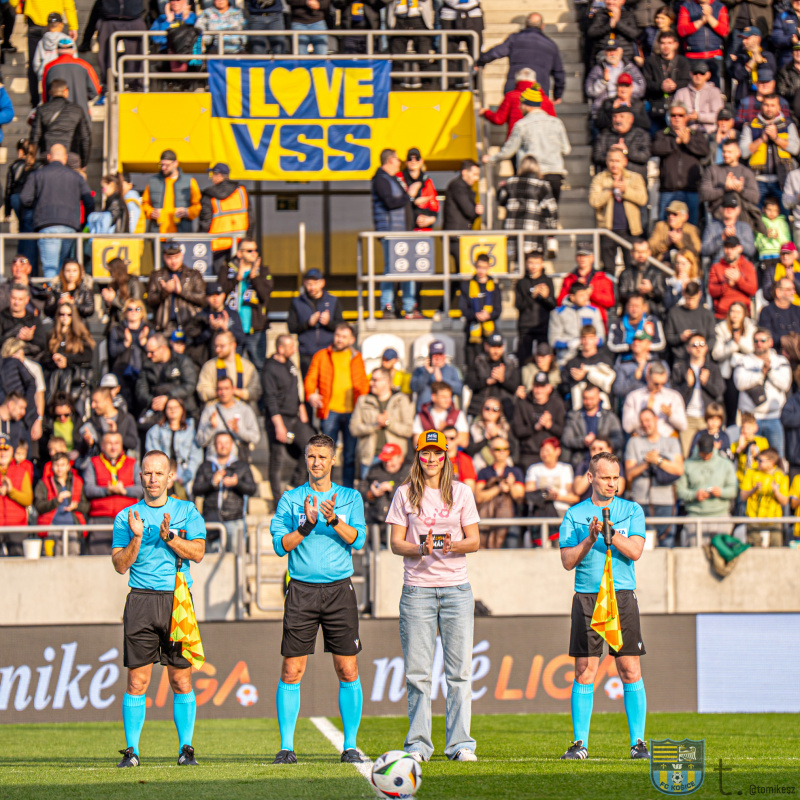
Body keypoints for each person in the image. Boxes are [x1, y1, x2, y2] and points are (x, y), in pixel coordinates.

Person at [269, 433, 367, 764]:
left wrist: (333, 520)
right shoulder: (290, 499)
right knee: (291, 670)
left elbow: (359, 541)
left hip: (339, 590)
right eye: (312, 457)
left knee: (347, 667)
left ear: (333, 460)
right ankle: (286, 747)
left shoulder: (350, 497)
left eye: (323, 457)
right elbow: (280, 545)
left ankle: (350, 745)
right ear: (306, 459)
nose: (316, 463)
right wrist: (308, 526)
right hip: (301, 591)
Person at [386, 429, 480, 762]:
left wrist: (452, 543)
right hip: (417, 591)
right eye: (425, 453)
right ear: (417, 456)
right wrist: (419, 548)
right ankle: (419, 745)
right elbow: (396, 543)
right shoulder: (404, 493)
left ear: (445, 457)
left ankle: (460, 745)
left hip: (456, 589)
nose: (431, 459)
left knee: (459, 673)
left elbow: (475, 540)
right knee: (418, 673)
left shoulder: (461, 492)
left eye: (437, 453)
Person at [111, 449, 206, 768]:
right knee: (137, 681)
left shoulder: (187, 510)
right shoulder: (127, 516)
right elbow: (120, 565)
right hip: (140, 600)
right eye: (147, 473)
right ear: (140, 477)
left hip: (177, 600)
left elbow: (198, 552)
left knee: (181, 680)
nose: (152, 479)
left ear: (171, 477)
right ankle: (132, 751)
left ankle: (186, 749)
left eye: (158, 473)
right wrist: (137, 539)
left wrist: (169, 539)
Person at [558, 451, 649, 760]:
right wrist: (590, 538)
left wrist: (612, 536)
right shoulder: (574, 514)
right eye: (606, 477)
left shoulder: (632, 509)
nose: (612, 483)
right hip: (587, 596)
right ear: (590, 478)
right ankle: (579, 744)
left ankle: (638, 743)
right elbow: (568, 561)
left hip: (621, 595)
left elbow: (635, 551)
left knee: (629, 667)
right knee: (585, 670)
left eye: (616, 477)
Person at [305, 324, 369, 489]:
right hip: (329, 411)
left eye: (344, 336)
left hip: (351, 412)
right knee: (325, 453)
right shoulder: (322, 355)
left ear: (352, 340)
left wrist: (364, 405)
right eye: (338, 335)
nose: (339, 339)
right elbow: (311, 377)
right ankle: (324, 488)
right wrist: (310, 394)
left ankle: (347, 491)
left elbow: (362, 383)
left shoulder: (356, 356)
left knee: (349, 455)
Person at [19, 143, 94, 279]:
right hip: (70, 226)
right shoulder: (75, 176)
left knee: (50, 267)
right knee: (62, 267)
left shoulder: (38, 175)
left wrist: (37, 206)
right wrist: (84, 223)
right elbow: (89, 201)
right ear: (65, 158)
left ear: (48, 157)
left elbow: (24, 199)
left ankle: (53, 298)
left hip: (47, 225)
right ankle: (61, 297)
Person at [487, 89, 571, 205]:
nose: (519, 107)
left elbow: (508, 151)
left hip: (533, 175)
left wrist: (492, 159)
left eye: (521, 104)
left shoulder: (522, 125)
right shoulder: (557, 123)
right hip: (555, 175)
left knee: (533, 215)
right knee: (551, 214)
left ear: (527, 105)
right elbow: (566, 150)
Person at [262, 335, 314, 507]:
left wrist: (302, 409)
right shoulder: (269, 368)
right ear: (280, 348)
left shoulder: (290, 364)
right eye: (291, 347)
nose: (295, 350)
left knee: (311, 446)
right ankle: (278, 502)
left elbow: (295, 389)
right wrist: (278, 425)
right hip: (279, 418)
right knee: (277, 459)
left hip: (294, 417)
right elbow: (270, 399)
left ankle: (294, 484)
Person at [625, 407, 684, 547]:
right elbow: (629, 474)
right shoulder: (634, 442)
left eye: (648, 420)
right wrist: (647, 462)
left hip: (666, 501)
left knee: (666, 542)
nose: (645, 424)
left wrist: (658, 461)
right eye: (642, 421)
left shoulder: (671, 442)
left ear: (656, 420)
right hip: (641, 501)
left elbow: (679, 469)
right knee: (642, 546)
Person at [732, 327, 792, 456]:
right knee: (751, 457)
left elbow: (785, 384)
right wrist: (761, 374)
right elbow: (739, 383)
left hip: (774, 417)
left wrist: (769, 371)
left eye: (763, 340)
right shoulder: (744, 360)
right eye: (756, 341)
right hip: (751, 420)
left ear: (770, 342)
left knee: (777, 456)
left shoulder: (780, 361)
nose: (759, 343)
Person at [477, 12, 565, 99]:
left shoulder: (514, 39)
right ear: (542, 26)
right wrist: (558, 94)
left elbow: (496, 52)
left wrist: (481, 61)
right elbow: (558, 73)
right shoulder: (551, 45)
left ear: (526, 24)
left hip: (515, 87)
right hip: (538, 90)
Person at [192, 431, 255, 552]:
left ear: (232, 445)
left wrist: (237, 484)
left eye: (226, 443)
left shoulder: (242, 466)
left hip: (234, 519)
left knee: (237, 561)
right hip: (211, 520)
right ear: (215, 445)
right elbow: (196, 489)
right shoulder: (205, 466)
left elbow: (252, 489)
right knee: (212, 561)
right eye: (219, 443)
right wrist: (212, 482)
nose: (223, 446)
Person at [588, 147, 648, 273]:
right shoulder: (600, 178)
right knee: (608, 268)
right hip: (607, 229)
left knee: (631, 266)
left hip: (630, 230)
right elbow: (594, 201)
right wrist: (609, 191)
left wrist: (626, 191)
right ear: (606, 162)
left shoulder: (635, 177)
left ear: (624, 162)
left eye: (617, 161)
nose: (614, 164)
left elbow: (643, 199)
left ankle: (628, 291)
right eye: (611, 160)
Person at [370, 149, 414, 319]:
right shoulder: (381, 180)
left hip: (401, 233)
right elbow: (390, 202)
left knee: (408, 269)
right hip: (390, 233)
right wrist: (408, 195)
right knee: (391, 269)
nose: (399, 163)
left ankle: (409, 307)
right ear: (389, 161)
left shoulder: (393, 179)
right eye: (397, 159)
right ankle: (387, 306)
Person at [216, 240, 272, 371]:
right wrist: (237, 278)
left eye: (255, 250)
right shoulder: (226, 270)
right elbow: (219, 295)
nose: (254, 253)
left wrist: (254, 277)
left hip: (255, 329)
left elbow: (265, 296)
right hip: (232, 328)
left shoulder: (263, 271)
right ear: (240, 253)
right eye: (249, 251)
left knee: (258, 367)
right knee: (230, 367)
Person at [349, 367, 414, 479]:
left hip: (395, 459)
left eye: (375, 380)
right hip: (370, 457)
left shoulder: (401, 400)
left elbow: (408, 430)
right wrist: (374, 426)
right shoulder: (363, 400)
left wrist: (388, 423)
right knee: (369, 494)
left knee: (398, 494)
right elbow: (353, 428)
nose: (371, 383)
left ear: (387, 381)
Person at [83, 431, 143, 554]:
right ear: (102, 446)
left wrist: (124, 491)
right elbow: (88, 489)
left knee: (126, 560)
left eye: (116, 443)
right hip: (100, 518)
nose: (113, 447)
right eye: (109, 443)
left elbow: (141, 488)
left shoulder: (132, 463)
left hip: (127, 519)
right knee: (98, 560)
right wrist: (106, 491)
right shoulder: (93, 463)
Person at [652, 102, 709, 224]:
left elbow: (704, 151)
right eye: (673, 115)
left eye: (680, 115)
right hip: (668, 190)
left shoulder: (696, 135)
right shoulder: (662, 134)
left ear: (686, 117)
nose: (677, 118)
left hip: (691, 190)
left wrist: (688, 142)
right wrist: (676, 142)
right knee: (664, 227)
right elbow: (655, 149)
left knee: (691, 227)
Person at [739, 93, 800, 208]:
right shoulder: (750, 126)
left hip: (782, 179)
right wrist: (762, 139)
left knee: (784, 216)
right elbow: (743, 152)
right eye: (766, 105)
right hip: (757, 179)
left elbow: (796, 149)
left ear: (779, 107)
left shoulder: (788, 125)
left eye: (773, 105)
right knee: (756, 215)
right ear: (761, 106)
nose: (769, 108)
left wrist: (776, 138)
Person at [675, 432, 737, 543]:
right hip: (695, 516)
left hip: (720, 516)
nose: (706, 456)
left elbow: (733, 490)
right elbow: (680, 491)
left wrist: (721, 492)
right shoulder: (687, 465)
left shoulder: (725, 464)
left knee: (720, 557)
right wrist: (694, 495)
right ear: (698, 447)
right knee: (695, 557)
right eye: (703, 453)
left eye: (709, 453)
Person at [496, 156, 559, 262]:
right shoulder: (541, 185)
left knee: (516, 265)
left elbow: (501, 200)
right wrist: (551, 231)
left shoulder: (511, 182)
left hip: (512, 231)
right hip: (532, 232)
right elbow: (552, 210)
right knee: (531, 264)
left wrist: (501, 187)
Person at [671, 332, 725, 454]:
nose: (698, 348)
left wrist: (706, 384)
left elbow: (720, 392)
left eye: (702, 344)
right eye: (694, 345)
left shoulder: (713, 367)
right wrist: (687, 386)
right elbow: (674, 396)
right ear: (688, 348)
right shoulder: (680, 367)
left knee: (709, 454)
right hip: (687, 418)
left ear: (706, 348)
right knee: (687, 454)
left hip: (708, 419)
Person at [479, 68, 556, 147]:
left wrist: (486, 112)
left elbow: (499, 119)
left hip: (515, 143)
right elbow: (553, 125)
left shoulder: (511, 96)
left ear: (517, 80)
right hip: (541, 144)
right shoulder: (546, 100)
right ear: (534, 81)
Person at [288, 269, 344, 377]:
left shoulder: (333, 301)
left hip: (328, 352)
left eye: (315, 283)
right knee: (308, 388)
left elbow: (341, 326)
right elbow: (292, 327)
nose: (312, 287)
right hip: (306, 353)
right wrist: (308, 323)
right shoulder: (297, 302)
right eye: (309, 284)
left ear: (322, 283)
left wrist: (328, 323)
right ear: (304, 283)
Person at [136, 334, 199, 428]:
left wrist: (168, 398)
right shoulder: (147, 365)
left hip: (185, 410)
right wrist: (152, 401)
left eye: (152, 352)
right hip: (157, 412)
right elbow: (141, 389)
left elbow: (189, 385)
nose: (149, 355)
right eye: (147, 352)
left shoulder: (182, 361)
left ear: (163, 348)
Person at [144, 398, 202, 498]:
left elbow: (196, 458)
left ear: (182, 410)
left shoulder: (190, 431)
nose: (172, 410)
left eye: (176, 407)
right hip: (161, 479)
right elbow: (152, 456)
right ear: (165, 411)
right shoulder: (155, 431)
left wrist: (183, 477)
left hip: (184, 479)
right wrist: (163, 475)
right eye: (169, 407)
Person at [145, 242, 207, 336]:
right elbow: (149, 301)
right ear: (164, 257)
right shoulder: (156, 275)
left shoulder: (194, 274)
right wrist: (165, 292)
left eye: (176, 257)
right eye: (169, 258)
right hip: (165, 326)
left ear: (182, 256)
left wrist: (181, 292)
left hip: (189, 324)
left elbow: (202, 299)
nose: (173, 262)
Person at [698, 138, 761, 229]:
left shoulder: (747, 173)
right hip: (718, 217)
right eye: (724, 152)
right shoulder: (712, 170)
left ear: (738, 153)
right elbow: (703, 194)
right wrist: (724, 189)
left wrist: (741, 190)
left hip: (742, 218)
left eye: (729, 152)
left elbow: (755, 198)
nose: (726, 155)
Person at [34, 450, 88, 555]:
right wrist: (56, 501)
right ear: (52, 466)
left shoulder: (77, 481)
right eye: (56, 465)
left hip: (73, 528)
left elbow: (86, 506)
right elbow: (39, 506)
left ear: (68, 466)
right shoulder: (44, 483)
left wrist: (76, 506)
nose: (59, 468)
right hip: (51, 528)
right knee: (51, 562)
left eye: (63, 465)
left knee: (73, 561)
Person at [475, 436, 524, 549]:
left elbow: (519, 497)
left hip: (511, 519)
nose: (502, 452)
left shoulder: (515, 471)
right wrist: (499, 488)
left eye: (505, 449)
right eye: (498, 449)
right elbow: (479, 497)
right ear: (491, 451)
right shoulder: (484, 472)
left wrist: (511, 486)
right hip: (487, 518)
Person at [511, 371, 566, 470]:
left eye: (542, 387)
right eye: (536, 386)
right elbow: (517, 431)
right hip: (529, 454)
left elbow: (563, 432)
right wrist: (535, 427)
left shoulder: (557, 404)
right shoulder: (522, 404)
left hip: (551, 455)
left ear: (549, 388)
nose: (539, 390)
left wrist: (550, 425)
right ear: (532, 387)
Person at [199, 163, 249, 270]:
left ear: (219, 175)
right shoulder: (241, 192)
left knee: (215, 277)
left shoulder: (209, 196)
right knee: (238, 275)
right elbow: (251, 218)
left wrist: (200, 238)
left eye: (213, 174)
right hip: (239, 242)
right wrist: (247, 239)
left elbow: (205, 222)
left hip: (217, 244)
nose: (211, 177)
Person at [712, 301, 756, 423]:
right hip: (729, 375)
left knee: (747, 410)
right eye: (732, 311)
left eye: (738, 312)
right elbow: (716, 354)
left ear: (744, 314)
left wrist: (740, 341)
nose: (735, 315)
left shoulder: (751, 328)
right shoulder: (721, 329)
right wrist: (732, 345)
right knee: (731, 411)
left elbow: (753, 350)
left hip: (748, 373)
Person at [195, 375, 260, 459]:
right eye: (220, 389)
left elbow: (255, 438)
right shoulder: (209, 410)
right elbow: (200, 441)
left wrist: (238, 431)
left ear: (233, 389)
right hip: (214, 461)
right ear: (217, 391)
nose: (223, 392)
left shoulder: (245, 409)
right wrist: (210, 427)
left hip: (238, 461)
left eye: (226, 388)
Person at [562, 384, 623, 470]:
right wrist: (583, 441)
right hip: (581, 461)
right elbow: (566, 439)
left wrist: (601, 444)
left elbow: (618, 440)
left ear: (598, 398)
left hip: (605, 461)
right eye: (586, 399)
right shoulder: (574, 416)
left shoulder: (609, 417)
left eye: (592, 398)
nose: (588, 402)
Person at [30, 79, 90, 166]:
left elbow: (35, 137)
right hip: (70, 157)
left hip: (48, 156)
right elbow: (85, 138)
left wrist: (31, 160)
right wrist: (83, 162)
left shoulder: (42, 110)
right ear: (66, 91)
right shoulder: (77, 110)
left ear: (50, 92)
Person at [183, 281, 244, 366]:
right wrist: (210, 329)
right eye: (212, 296)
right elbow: (195, 341)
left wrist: (227, 329)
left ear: (223, 296)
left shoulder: (232, 314)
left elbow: (241, 339)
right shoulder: (201, 316)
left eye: (218, 295)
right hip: (207, 362)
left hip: (229, 362)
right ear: (206, 298)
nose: (215, 299)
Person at [141, 150, 202, 235]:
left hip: (181, 234)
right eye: (161, 165)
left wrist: (187, 212)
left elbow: (198, 205)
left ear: (176, 163)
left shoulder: (189, 181)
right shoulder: (153, 181)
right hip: (157, 234)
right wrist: (150, 212)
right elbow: (144, 203)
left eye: (167, 165)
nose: (163, 168)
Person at [556, 243, 616, 328]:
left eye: (586, 255)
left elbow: (610, 301)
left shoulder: (602, 277)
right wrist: (575, 291)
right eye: (580, 255)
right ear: (576, 258)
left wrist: (592, 293)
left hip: (596, 323)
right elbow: (560, 302)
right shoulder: (569, 279)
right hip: (573, 323)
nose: (582, 258)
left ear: (592, 258)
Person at [621, 362, 688, 437]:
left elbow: (683, 426)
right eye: (656, 384)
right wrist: (645, 411)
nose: (660, 387)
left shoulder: (673, 396)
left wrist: (670, 415)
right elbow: (627, 427)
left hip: (666, 440)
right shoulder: (633, 396)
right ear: (647, 378)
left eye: (663, 383)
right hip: (641, 441)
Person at [739, 447, 789, 547]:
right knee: (754, 549)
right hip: (753, 518)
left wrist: (776, 491)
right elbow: (742, 497)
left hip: (773, 519)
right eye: (757, 459)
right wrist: (753, 489)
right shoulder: (751, 473)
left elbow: (785, 502)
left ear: (771, 462)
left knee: (777, 548)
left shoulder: (781, 476)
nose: (758, 462)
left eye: (761, 460)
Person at [41, 38, 101, 119]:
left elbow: (45, 95)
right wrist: (82, 97)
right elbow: (95, 90)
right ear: (73, 50)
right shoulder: (85, 65)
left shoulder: (49, 67)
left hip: (57, 115)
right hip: (81, 112)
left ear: (57, 51)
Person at [560, 324, 616, 412]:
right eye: (584, 338)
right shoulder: (572, 363)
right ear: (580, 340)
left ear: (596, 340)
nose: (587, 341)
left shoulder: (605, 361)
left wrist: (586, 376)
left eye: (590, 338)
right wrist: (575, 380)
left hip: (601, 410)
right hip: (578, 412)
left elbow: (610, 386)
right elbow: (563, 388)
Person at [549, 282, 606, 367]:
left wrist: (587, 342)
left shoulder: (593, 311)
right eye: (581, 295)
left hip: (589, 359)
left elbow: (601, 337)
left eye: (586, 294)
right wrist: (569, 343)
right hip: (566, 359)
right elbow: (553, 341)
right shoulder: (558, 313)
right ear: (572, 297)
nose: (585, 298)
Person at [643, 29, 691, 129]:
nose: (666, 46)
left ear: (675, 45)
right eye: (663, 43)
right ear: (659, 45)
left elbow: (687, 81)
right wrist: (660, 86)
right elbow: (646, 83)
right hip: (656, 104)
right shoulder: (651, 61)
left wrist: (675, 85)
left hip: (677, 104)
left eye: (669, 43)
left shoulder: (683, 61)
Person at [464, 332, 521, 418]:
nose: (496, 351)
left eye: (499, 347)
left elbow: (516, 386)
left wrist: (502, 380)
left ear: (503, 347)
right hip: (479, 409)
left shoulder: (510, 364)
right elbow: (470, 383)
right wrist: (487, 381)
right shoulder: (478, 361)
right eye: (493, 347)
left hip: (504, 411)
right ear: (486, 346)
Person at [443, 160, 484, 274]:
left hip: (459, 236)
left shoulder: (462, 187)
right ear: (465, 172)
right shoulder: (458, 186)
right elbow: (469, 211)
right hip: (456, 237)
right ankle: (456, 292)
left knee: (461, 272)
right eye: (475, 174)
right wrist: (476, 210)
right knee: (463, 272)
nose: (476, 179)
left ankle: (455, 292)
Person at [515, 251, 556, 364]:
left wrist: (547, 297)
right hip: (525, 327)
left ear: (542, 263)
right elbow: (518, 305)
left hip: (543, 327)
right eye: (530, 263)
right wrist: (532, 296)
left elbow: (553, 305)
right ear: (526, 263)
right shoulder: (521, 283)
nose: (533, 266)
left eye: (537, 263)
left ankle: (543, 381)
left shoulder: (547, 281)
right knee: (524, 359)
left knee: (544, 358)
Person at [460, 253, 502, 362]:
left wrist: (488, 315)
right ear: (475, 266)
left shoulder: (494, 287)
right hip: (472, 330)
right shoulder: (466, 285)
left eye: (484, 268)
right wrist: (475, 315)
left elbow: (498, 310)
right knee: (472, 363)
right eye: (479, 267)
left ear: (488, 267)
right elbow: (463, 308)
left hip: (490, 332)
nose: (481, 271)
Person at [676, 0, 729, 84]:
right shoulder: (687, 6)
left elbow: (724, 31)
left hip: (715, 56)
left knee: (715, 90)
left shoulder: (719, 6)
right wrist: (701, 21)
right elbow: (682, 30)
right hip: (693, 56)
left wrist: (709, 17)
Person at [592, 107, 651, 182]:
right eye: (615, 117)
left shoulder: (641, 134)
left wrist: (626, 152)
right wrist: (612, 156)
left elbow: (645, 156)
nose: (617, 120)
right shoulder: (604, 135)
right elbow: (596, 156)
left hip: (634, 182)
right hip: (609, 182)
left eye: (621, 116)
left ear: (631, 119)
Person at [79, 385, 139, 460]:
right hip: (99, 466)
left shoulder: (127, 418)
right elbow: (81, 450)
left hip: (122, 465)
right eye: (92, 402)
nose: (93, 406)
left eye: (96, 402)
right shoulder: (91, 421)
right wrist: (89, 443)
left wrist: (115, 433)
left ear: (107, 401)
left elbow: (133, 443)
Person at [664, 280, 717, 362]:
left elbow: (712, 338)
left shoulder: (707, 314)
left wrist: (701, 348)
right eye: (688, 298)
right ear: (683, 294)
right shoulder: (674, 313)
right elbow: (669, 337)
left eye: (693, 299)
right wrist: (680, 338)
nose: (690, 302)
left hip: (702, 359)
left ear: (700, 295)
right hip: (680, 358)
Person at [363, 443, 406, 540]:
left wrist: (392, 488)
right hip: (376, 517)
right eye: (385, 461)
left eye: (391, 460)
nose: (388, 464)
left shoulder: (409, 471)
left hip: (401, 519)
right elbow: (362, 490)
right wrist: (371, 493)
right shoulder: (375, 470)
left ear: (400, 458)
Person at [708, 236, 758, 320]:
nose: (729, 251)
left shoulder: (747, 266)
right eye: (727, 248)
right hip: (723, 314)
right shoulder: (716, 267)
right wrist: (726, 285)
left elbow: (753, 289)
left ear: (740, 249)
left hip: (743, 314)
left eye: (733, 248)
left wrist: (739, 279)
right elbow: (712, 291)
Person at [727, 26, 776, 106]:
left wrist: (757, 55)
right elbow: (738, 74)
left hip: (765, 99)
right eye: (743, 38)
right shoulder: (741, 57)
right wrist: (753, 60)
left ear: (758, 39)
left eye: (747, 38)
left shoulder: (768, 55)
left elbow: (771, 72)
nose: (744, 42)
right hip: (744, 98)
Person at [617, 239, 667, 318]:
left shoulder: (657, 273)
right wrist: (637, 294)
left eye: (643, 252)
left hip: (652, 313)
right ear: (631, 253)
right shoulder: (625, 274)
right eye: (637, 252)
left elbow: (663, 296)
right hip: (630, 315)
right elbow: (620, 296)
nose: (641, 255)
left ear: (649, 253)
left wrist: (651, 291)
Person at [701, 193, 756, 264]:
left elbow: (751, 251)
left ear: (738, 210)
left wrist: (735, 236)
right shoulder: (712, 227)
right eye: (726, 206)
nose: (729, 209)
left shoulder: (744, 227)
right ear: (721, 209)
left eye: (732, 207)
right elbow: (704, 250)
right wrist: (721, 237)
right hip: (718, 266)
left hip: (740, 267)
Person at [412, 381, 469, 450]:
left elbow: (464, 442)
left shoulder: (457, 414)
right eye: (444, 397)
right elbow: (416, 443)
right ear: (434, 397)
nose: (448, 400)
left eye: (449, 397)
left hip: (451, 459)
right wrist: (440, 433)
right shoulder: (422, 416)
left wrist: (446, 430)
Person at [410, 340, 464, 412]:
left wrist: (442, 380)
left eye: (440, 354)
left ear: (444, 356)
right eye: (434, 355)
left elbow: (459, 390)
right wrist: (427, 373)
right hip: (424, 413)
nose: (437, 358)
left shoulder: (452, 370)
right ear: (429, 356)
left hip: (446, 413)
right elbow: (414, 388)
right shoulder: (420, 370)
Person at [0, 284, 48, 360]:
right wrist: (15, 336)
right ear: (9, 298)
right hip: (6, 360)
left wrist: (31, 338)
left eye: (20, 299)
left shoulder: (34, 319)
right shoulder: (2, 317)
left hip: (29, 360)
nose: (16, 302)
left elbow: (42, 345)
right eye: (14, 298)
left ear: (27, 300)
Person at [397, 147, 439, 233]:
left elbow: (434, 206)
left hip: (423, 231)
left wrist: (431, 219)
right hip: (404, 230)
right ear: (406, 162)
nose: (413, 161)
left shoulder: (427, 181)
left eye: (417, 158)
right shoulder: (398, 178)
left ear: (421, 161)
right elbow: (395, 203)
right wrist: (412, 200)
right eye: (410, 158)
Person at [648, 200, 702, 266]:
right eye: (669, 213)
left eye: (675, 214)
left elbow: (696, 251)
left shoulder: (692, 230)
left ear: (685, 217)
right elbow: (650, 247)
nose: (671, 216)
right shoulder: (660, 226)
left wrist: (679, 242)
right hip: (662, 266)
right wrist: (666, 243)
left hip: (685, 268)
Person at [758, 277, 800, 345]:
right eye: (789, 289)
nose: (793, 292)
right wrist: (786, 341)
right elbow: (767, 335)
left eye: (793, 289)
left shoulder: (798, 310)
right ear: (778, 292)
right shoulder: (766, 311)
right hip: (776, 351)